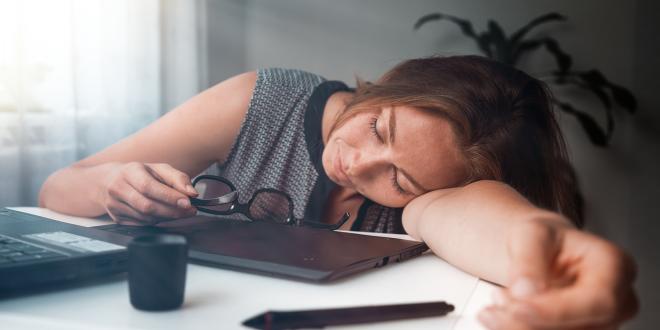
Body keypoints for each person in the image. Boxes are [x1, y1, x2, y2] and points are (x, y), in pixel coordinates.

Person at [39, 55, 638, 329]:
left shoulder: (433, 200)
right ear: (393, 83)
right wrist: (111, 185)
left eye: (400, 180)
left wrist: (542, 243)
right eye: (380, 128)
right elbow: (58, 187)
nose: (358, 164)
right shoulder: (260, 101)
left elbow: (482, 220)